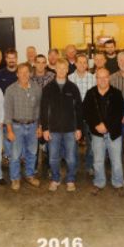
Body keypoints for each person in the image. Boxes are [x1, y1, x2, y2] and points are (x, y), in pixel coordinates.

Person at [40, 58, 83, 192]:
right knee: (53, 158)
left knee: (71, 158)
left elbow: (79, 109)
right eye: (59, 68)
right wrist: (45, 129)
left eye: (64, 68)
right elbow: (43, 109)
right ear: (55, 70)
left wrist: (79, 128)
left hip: (70, 130)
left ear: (67, 70)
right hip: (53, 130)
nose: (62, 70)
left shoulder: (73, 87)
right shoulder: (48, 88)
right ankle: (55, 179)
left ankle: (70, 179)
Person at [83, 67, 124, 196]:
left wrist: (106, 126)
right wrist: (96, 125)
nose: (102, 80)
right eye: (99, 77)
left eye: (105, 77)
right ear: (96, 79)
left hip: (114, 133)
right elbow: (86, 112)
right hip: (96, 134)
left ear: (109, 78)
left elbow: (119, 113)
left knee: (116, 161)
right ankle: (99, 182)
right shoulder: (90, 93)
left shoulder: (117, 93)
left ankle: (118, 183)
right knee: (98, 160)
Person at [4, 63, 42, 191]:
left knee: (32, 153)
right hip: (16, 127)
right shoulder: (10, 90)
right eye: (22, 72)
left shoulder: (36, 88)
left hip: (33, 126)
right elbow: (7, 112)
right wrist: (9, 130)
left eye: (27, 72)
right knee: (15, 154)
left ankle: (30, 175)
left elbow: (39, 109)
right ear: (17, 74)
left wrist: (39, 127)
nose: (25, 75)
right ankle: (15, 178)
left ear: (30, 73)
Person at [69, 53, 96, 176]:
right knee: (72, 144)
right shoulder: (69, 79)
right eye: (80, 62)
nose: (82, 65)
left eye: (85, 62)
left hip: (90, 117)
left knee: (92, 143)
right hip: (73, 117)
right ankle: (73, 167)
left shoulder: (93, 78)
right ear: (75, 63)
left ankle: (89, 166)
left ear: (87, 64)